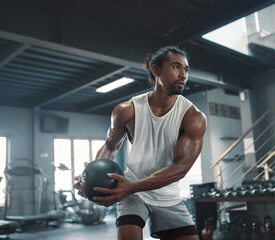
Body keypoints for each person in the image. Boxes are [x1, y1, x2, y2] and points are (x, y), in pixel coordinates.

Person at [74, 46, 207, 240]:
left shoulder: (193, 117)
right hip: (132, 192)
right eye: (176, 67)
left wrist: (132, 186)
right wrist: (92, 181)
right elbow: (110, 149)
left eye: (186, 69)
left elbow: (180, 168)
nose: (183, 74)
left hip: (167, 196)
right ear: (156, 71)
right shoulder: (126, 110)